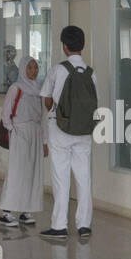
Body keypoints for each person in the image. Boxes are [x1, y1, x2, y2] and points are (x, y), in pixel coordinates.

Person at [40, 26, 98, 241]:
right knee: (84, 177)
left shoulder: (58, 70)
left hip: (60, 129)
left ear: (64, 46)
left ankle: (59, 226)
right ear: (82, 45)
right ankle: (84, 225)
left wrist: (57, 112)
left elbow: (46, 98)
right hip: (84, 131)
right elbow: (95, 102)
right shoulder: (91, 73)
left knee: (61, 177)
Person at [0, 57, 47, 228]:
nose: (34, 71)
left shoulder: (39, 88)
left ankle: (26, 211)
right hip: (20, 132)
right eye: (30, 67)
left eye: (36, 67)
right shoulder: (16, 88)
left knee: (32, 172)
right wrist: (13, 129)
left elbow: (42, 117)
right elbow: (6, 112)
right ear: (23, 69)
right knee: (17, 171)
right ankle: (6, 211)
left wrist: (44, 141)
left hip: (35, 133)